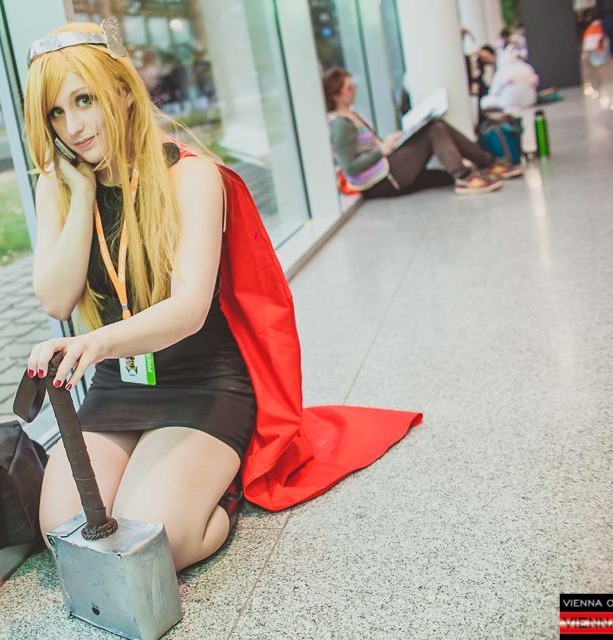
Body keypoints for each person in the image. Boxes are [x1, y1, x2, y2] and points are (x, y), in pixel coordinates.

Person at [23, 22, 422, 571]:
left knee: (153, 545)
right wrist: (84, 192)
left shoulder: (190, 176)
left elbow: (189, 309)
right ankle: (171, 477)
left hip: (203, 382)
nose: (73, 126)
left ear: (122, 89)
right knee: (63, 535)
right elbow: (55, 299)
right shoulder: (61, 185)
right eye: (56, 113)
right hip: (121, 384)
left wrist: (96, 343)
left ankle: (221, 490)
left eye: (84, 100)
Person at [324, 68, 517, 199]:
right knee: (434, 129)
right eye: (349, 88)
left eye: (354, 87)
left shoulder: (352, 116)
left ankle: (483, 165)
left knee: (436, 127)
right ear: (335, 94)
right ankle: (469, 174)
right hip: (381, 181)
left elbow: (370, 148)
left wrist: (390, 142)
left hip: (385, 171)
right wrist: (382, 150)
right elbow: (350, 167)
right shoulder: (340, 125)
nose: (354, 91)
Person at [480, 46, 539, 112]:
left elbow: (493, 92)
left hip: (509, 102)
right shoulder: (527, 67)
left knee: (484, 101)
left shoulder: (502, 71)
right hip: (530, 101)